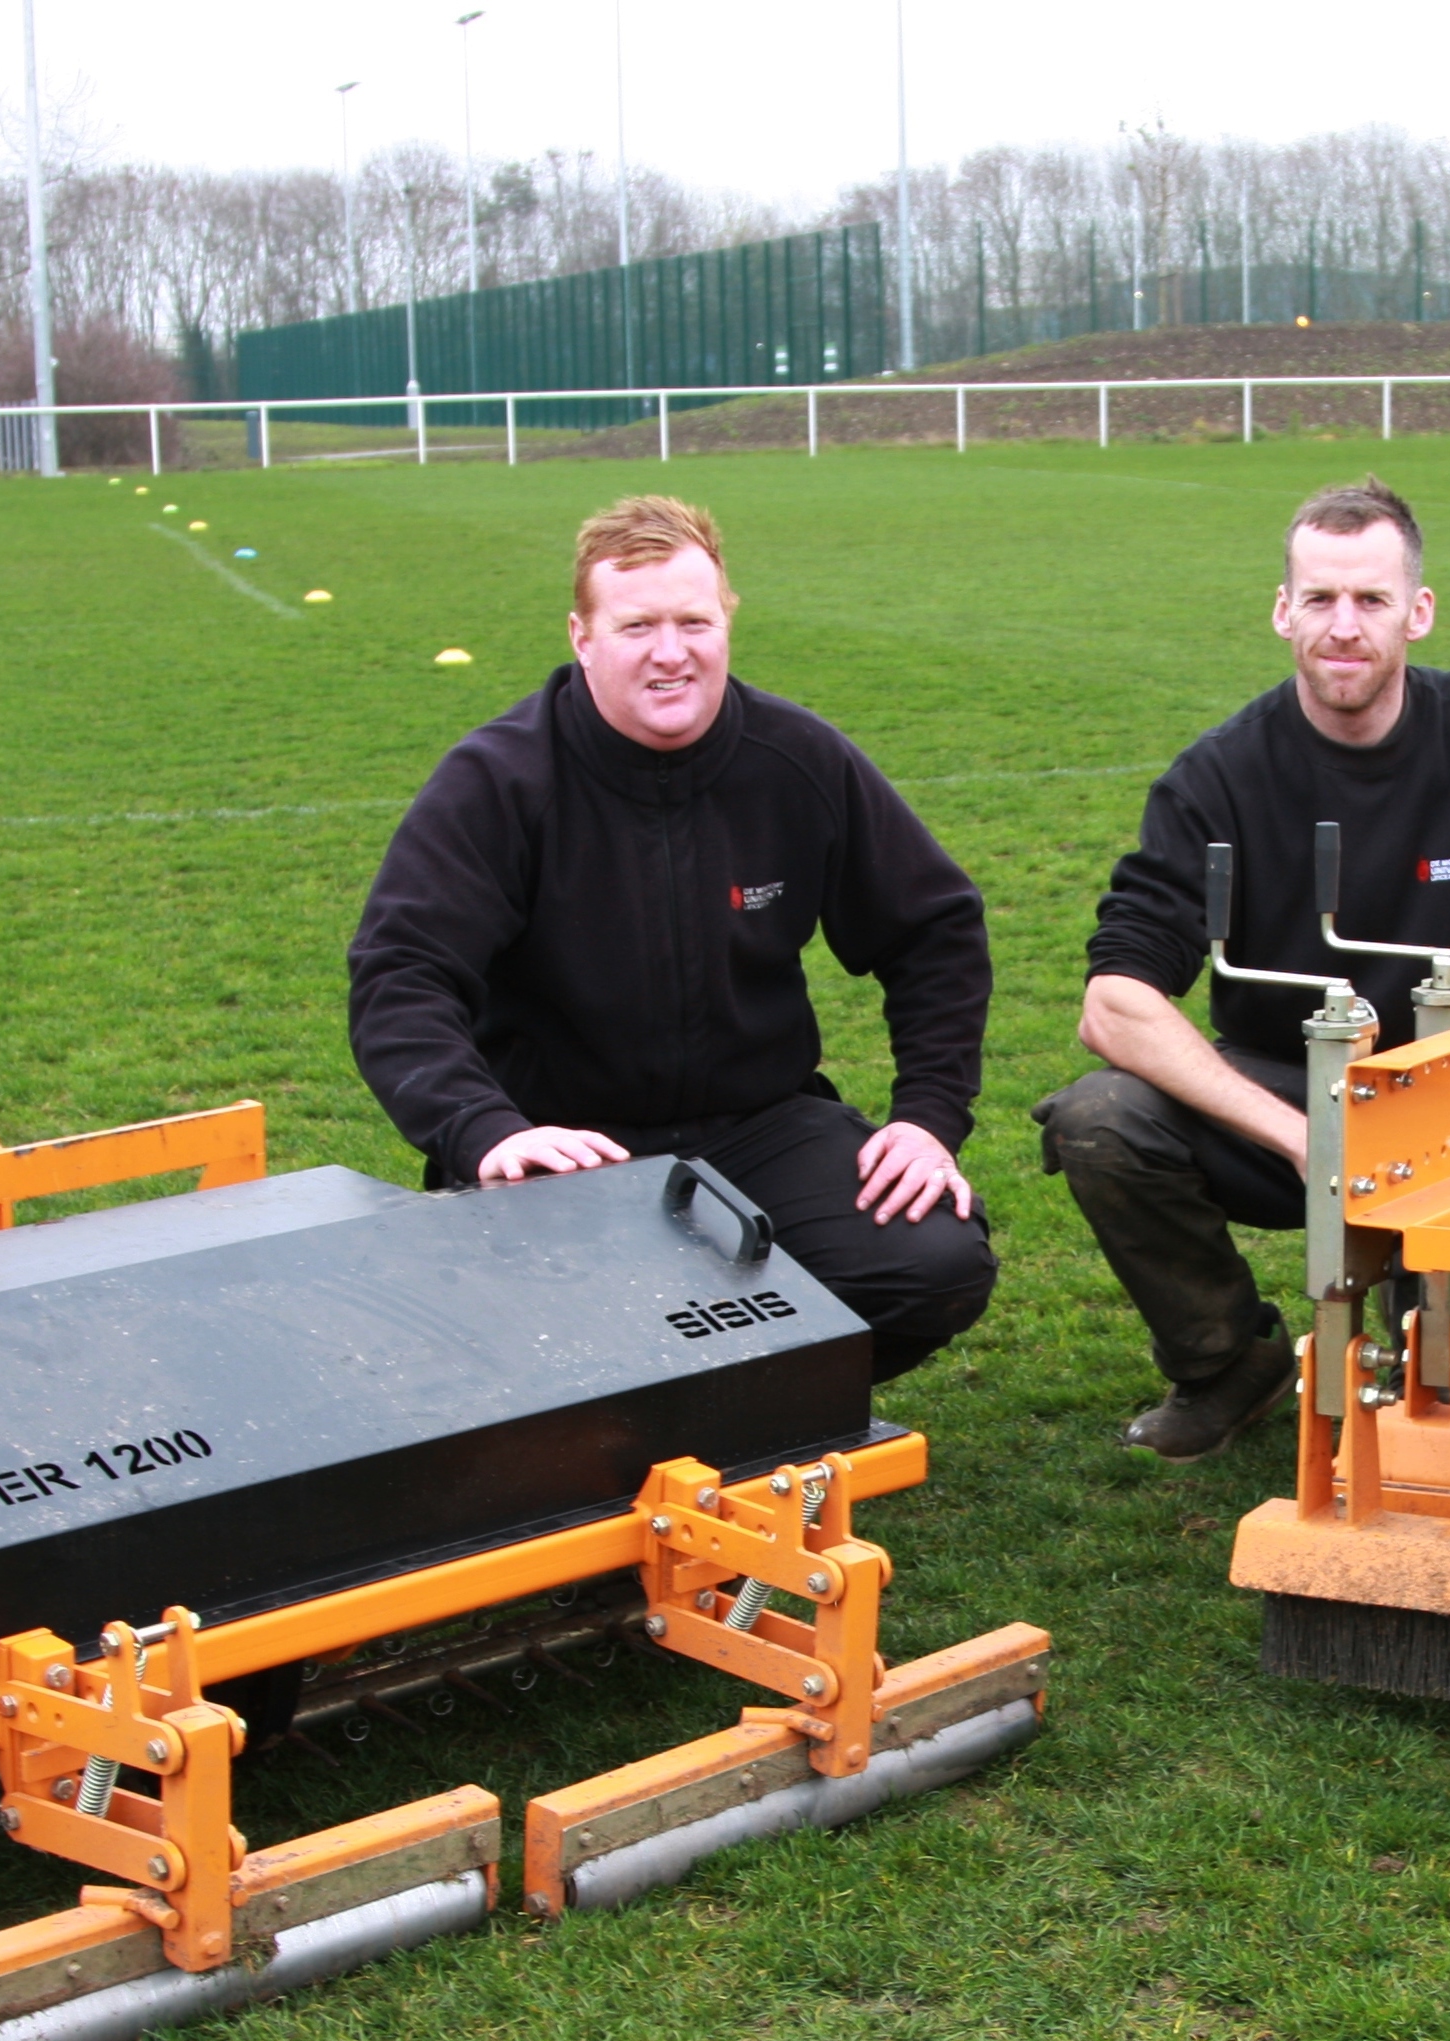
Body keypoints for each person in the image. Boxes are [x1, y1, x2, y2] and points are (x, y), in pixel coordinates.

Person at [347, 494, 997, 1382]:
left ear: (726, 619)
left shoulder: (797, 759)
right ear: (581, 636)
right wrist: (485, 1132)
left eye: (694, 621)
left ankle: (741, 1421)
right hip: (565, 1147)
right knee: (531, 1343)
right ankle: (636, 1414)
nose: (669, 652)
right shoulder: (498, 781)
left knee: (930, 1267)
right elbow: (402, 975)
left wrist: (927, 1119)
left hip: (758, 1125)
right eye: (636, 625)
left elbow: (935, 933)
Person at [1040, 477, 1450, 1459]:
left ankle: (1448, 1344)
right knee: (1098, 1121)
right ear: (1281, 612)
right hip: (1284, 1092)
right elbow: (1113, 1005)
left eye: (1369, 600)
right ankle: (1229, 1366)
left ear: (1417, 614)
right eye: (1319, 599)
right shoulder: (1215, 778)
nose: (1342, 627)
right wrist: (1301, 1137)